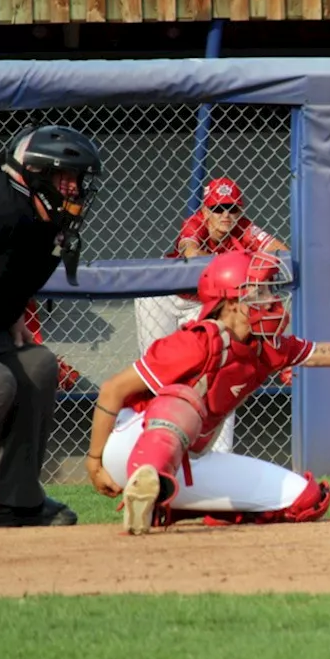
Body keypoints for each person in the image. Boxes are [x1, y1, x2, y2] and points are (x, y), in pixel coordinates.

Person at [84, 249, 330, 534]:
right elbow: (113, 390)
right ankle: (147, 479)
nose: (271, 298)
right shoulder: (197, 342)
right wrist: (95, 463)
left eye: (270, 289)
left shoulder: (268, 346)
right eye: (259, 290)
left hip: (188, 461)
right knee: (185, 399)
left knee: (306, 500)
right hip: (129, 447)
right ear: (231, 301)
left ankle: (164, 504)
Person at [0, 126, 102, 527]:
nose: (74, 189)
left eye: (77, 179)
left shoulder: (35, 211)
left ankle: (18, 502)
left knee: (36, 367)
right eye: (63, 177)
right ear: (35, 173)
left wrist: (9, 309)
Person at [133, 177, 286, 454]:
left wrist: (262, 257)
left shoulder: (243, 227)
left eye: (232, 208)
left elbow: (281, 251)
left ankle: (218, 454)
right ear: (205, 211)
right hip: (165, 298)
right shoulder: (195, 223)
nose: (226, 215)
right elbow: (191, 252)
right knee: (157, 375)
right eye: (218, 208)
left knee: (220, 373)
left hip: (202, 303)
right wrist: (242, 262)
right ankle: (150, 445)